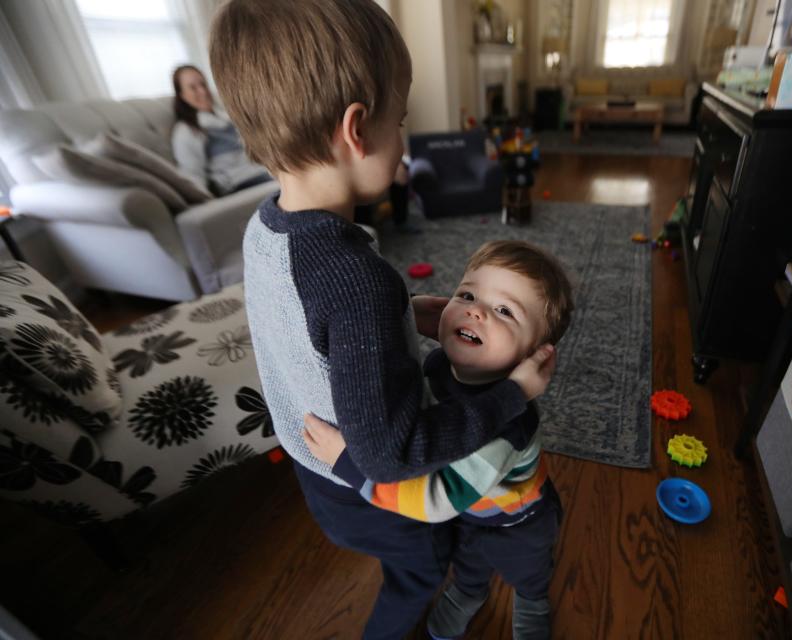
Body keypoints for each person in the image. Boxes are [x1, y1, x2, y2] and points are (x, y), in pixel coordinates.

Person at [207, 2, 557, 639]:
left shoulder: (264, 228)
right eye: (402, 120)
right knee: (421, 573)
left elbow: (305, 326)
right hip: (362, 484)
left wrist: (399, 312)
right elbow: (392, 455)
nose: (404, 144)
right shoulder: (355, 280)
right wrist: (511, 394)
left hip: (314, 470)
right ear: (356, 130)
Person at [303, 240, 573, 640]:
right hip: (471, 512)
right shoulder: (438, 365)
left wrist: (349, 464)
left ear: (533, 357)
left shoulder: (507, 427)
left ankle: (533, 600)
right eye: (467, 294)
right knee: (467, 561)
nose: (475, 310)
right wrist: (404, 315)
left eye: (504, 311)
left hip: (518, 520)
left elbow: (436, 500)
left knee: (526, 568)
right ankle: (468, 592)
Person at [170, 64, 273, 195]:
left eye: (203, 84)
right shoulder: (186, 131)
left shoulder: (226, 117)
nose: (202, 91)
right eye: (193, 88)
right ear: (182, 95)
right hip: (235, 183)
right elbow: (192, 175)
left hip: (258, 170)